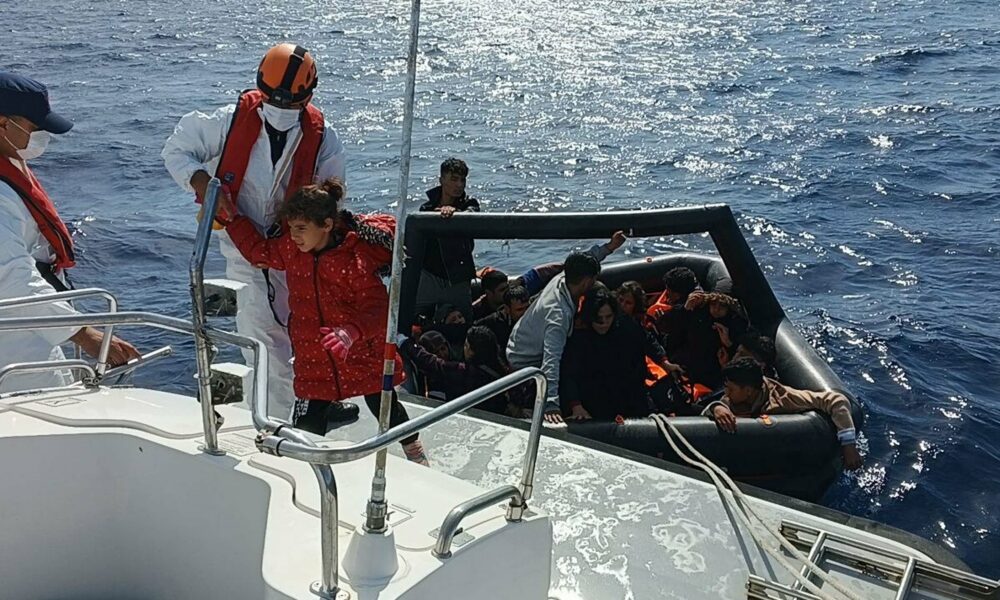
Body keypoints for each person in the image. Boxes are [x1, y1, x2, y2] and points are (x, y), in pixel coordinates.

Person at [162, 43, 347, 422]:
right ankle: (278, 425)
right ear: (259, 88)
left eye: (289, 103)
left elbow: (334, 197)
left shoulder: (324, 139)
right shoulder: (226, 123)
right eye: (272, 99)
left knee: (310, 334)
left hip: (299, 250)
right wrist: (203, 184)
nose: (280, 108)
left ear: (307, 99)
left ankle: (315, 403)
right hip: (243, 250)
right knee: (266, 341)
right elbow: (177, 150)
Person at [218, 177, 428, 465]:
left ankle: (414, 450)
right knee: (306, 426)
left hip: (362, 355)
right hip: (313, 358)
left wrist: (351, 332)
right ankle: (306, 472)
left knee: (385, 407)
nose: (293, 235)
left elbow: (379, 311)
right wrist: (232, 218)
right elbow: (259, 252)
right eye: (291, 228)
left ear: (327, 225)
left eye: (301, 228)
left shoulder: (354, 259)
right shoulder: (291, 250)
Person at [0, 71, 140, 393]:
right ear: (3, 124)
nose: (40, 138)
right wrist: (83, 334)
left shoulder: (9, 162)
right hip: (13, 340)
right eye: (34, 129)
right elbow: (11, 278)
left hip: (30, 322)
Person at [703, 358, 863, 470]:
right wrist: (716, 407)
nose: (727, 393)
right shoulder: (733, 397)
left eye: (731, 389)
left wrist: (848, 444)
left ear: (748, 391)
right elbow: (707, 413)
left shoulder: (785, 398)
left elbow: (836, 400)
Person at [506, 251, 601, 424]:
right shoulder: (558, 316)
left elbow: (587, 257)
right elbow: (551, 360)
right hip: (526, 363)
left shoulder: (562, 278)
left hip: (524, 338)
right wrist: (550, 403)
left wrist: (608, 249)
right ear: (586, 282)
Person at [560, 290, 682, 421]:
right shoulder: (579, 338)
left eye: (608, 317)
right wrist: (576, 405)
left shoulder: (625, 325)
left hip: (627, 393)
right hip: (594, 397)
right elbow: (569, 373)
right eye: (599, 319)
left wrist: (664, 363)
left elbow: (647, 340)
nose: (604, 323)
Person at [414, 158, 479, 320]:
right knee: (414, 317)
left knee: (466, 320)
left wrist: (455, 213)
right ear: (441, 180)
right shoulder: (426, 208)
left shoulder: (469, 204)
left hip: (458, 276)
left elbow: (472, 215)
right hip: (430, 275)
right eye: (454, 179)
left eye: (462, 180)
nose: (459, 185)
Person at [398, 325, 514, 414]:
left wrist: (405, 343)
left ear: (472, 351)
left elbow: (432, 363)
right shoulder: (502, 368)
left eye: (466, 346)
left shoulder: (467, 373)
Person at [651, 267, 724, 388]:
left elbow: (673, 333)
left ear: (676, 294)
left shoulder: (692, 311)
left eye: (668, 291)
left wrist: (663, 322)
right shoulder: (705, 303)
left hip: (696, 365)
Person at [474, 284, 530, 351]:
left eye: (527, 308)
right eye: (519, 309)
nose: (525, 313)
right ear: (507, 309)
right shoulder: (493, 323)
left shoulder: (533, 316)